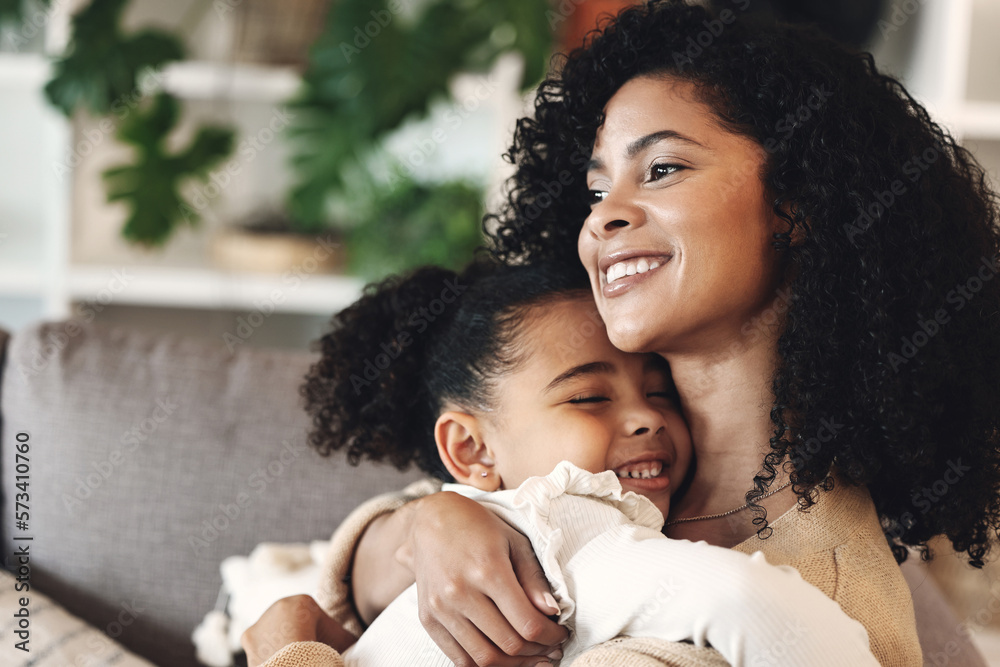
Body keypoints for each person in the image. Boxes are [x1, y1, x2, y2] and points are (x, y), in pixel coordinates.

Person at [245, 1, 1000, 666]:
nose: (604, 214)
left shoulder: (806, 599)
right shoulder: (627, 466)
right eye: (597, 188)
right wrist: (430, 524)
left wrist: (286, 644)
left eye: (663, 168)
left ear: (799, 202)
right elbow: (365, 564)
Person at [252, 260, 877, 666]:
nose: (646, 418)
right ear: (470, 450)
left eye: (661, 391)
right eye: (589, 397)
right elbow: (745, 599)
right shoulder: (564, 522)